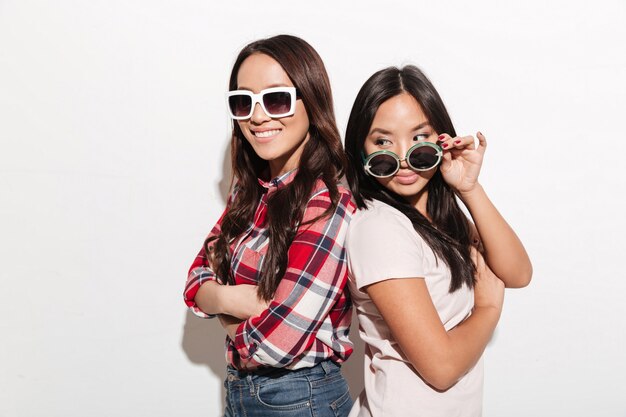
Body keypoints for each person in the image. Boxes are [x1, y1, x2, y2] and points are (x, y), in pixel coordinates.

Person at [343, 65, 533, 417]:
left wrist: (469, 189)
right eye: (383, 141)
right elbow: (441, 367)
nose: (402, 158)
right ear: (361, 150)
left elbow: (518, 272)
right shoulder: (379, 228)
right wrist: (488, 310)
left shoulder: (440, 218)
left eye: (419, 137)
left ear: (440, 138)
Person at [183, 35, 355, 417]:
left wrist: (217, 300)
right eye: (243, 102)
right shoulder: (250, 192)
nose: (258, 117)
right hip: (241, 391)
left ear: (311, 100)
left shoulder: (329, 202)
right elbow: (195, 282)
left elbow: (277, 343)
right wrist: (237, 299)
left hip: (300, 397)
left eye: (276, 98)